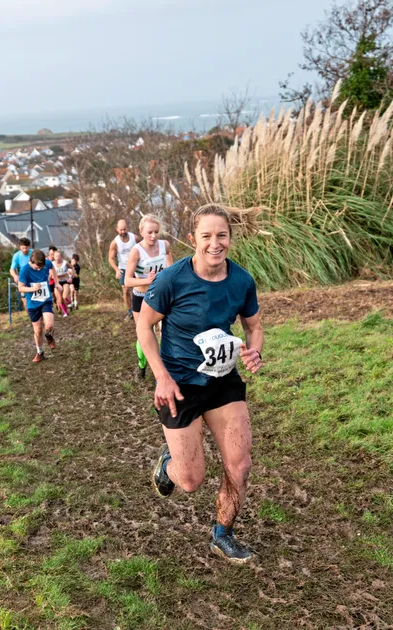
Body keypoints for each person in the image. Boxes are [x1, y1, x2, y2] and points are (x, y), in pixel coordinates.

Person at [137, 204, 263, 564]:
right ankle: (168, 465)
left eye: (221, 235)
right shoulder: (171, 280)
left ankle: (222, 534)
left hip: (223, 381)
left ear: (230, 238)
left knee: (239, 464)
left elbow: (253, 327)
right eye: (206, 236)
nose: (214, 243)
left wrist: (254, 352)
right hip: (178, 386)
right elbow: (144, 326)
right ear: (193, 239)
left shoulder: (241, 280)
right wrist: (160, 376)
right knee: (190, 480)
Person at [125, 215, 172, 379]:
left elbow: (171, 271)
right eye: (150, 232)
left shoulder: (165, 245)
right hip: (141, 296)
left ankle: (166, 367)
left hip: (161, 294)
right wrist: (147, 280)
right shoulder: (136, 251)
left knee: (165, 330)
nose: (153, 236)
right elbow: (127, 280)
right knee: (144, 333)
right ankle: (142, 365)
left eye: (156, 232)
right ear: (141, 231)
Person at [17, 249, 58, 363]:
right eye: (37, 268)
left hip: (45, 299)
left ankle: (48, 335)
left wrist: (57, 282)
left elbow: (52, 267)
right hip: (33, 303)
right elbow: (20, 287)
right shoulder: (24, 270)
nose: (39, 269)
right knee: (37, 330)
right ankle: (40, 352)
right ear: (31, 262)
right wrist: (32, 289)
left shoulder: (45, 263)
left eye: (41, 267)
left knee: (49, 325)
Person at [107, 220, 139, 320]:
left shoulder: (135, 238)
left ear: (127, 228)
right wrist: (116, 269)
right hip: (123, 268)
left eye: (124, 229)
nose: (123, 231)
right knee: (125, 291)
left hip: (136, 267)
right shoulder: (115, 242)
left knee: (137, 290)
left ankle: (138, 310)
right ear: (117, 229)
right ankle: (130, 311)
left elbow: (143, 248)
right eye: (121, 230)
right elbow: (111, 258)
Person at [10, 238, 34, 312]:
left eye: (26, 248)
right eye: (23, 248)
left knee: (35, 298)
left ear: (29, 246)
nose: (24, 250)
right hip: (23, 279)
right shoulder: (16, 255)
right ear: (20, 247)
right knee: (25, 301)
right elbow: (12, 269)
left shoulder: (33, 253)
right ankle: (30, 315)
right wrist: (15, 276)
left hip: (34, 277)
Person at [54, 251, 74, 316]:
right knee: (59, 299)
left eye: (59, 256)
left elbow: (72, 267)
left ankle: (69, 302)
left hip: (65, 281)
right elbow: (50, 273)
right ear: (54, 257)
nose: (57, 258)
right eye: (56, 256)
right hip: (57, 283)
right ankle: (65, 312)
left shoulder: (65, 263)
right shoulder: (52, 264)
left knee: (64, 297)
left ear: (61, 256)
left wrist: (71, 277)